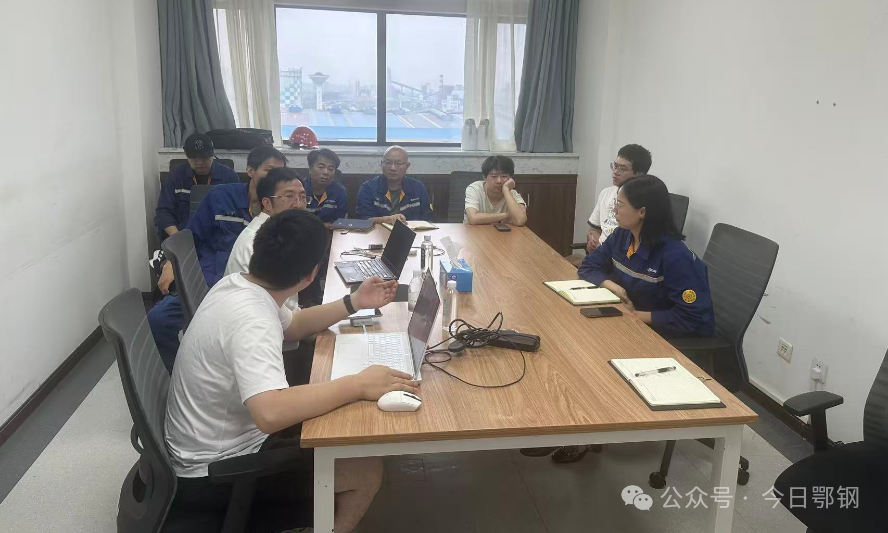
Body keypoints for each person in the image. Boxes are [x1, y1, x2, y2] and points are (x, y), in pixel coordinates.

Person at [166, 209, 410, 533]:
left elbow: (294, 325)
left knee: (339, 419)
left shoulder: (238, 286)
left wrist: (354, 301)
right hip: (216, 475)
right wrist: (357, 385)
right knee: (366, 470)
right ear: (311, 274)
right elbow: (270, 413)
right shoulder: (252, 320)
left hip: (216, 446)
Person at [526, 176, 714, 464]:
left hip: (658, 335)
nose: (614, 209)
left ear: (642, 212)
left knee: (583, 361)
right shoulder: (622, 236)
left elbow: (697, 320)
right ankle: (557, 426)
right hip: (624, 322)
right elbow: (588, 266)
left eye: (620, 204)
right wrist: (609, 284)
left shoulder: (675, 256)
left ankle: (578, 434)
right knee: (561, 339)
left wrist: (638, 316)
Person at [148, 145, 288, 371]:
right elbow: (190, 237)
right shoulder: (221, 196)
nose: (275, 179)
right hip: (208, 282)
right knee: (158, 320)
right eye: (269, 171)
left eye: (280, 173)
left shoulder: (282, 205)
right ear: (250, 171)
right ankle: (178, 373)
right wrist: (171, 263)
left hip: (255, 287)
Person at [154, 133, 240, 241]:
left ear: (212, 154)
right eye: (194, 158)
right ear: (186, 155)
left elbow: (238, 213)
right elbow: (163, 212)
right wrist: (178, 238)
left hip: (219, 239)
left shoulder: (229, 177)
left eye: (204, 157)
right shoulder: (175, 177)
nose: (199, 162)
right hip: (184, 236)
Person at [585, 144, 652, 253]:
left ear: (639, 174)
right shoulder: (605, 193)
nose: (615, 172)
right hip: (601, 254)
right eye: (615, 166)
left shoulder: (644, 201)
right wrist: (593, 241)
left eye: (622, 169)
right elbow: (595, 229)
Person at [355, 146, 433, 223]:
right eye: (388, 163)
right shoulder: (368, 188)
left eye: (399, 163)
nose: (393, 168)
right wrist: (388, 220)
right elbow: (362, 220)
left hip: (411, 231)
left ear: (407, 166)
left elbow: (428, 218)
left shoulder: (418, 187)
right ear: (382, 164)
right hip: (377, 231)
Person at [464, 155, 527, 226]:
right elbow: (473, 218)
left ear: (510, 178)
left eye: (504, 176)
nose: (499, 181)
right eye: (494, 176)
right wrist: (507, 215)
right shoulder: (474, 189)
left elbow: (520, 220)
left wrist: (506, 190)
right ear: (484, 177)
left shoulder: (512, 194)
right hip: (473, 232)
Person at [304, 148, 348, 225]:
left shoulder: (340, 191)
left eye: (330, 169)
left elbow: (339, 223)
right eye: (321, 167)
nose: (326, 172)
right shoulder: (299, 189)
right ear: (310, 169)